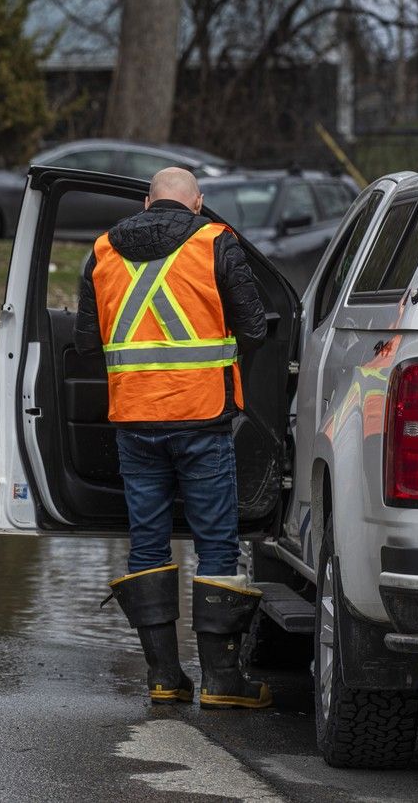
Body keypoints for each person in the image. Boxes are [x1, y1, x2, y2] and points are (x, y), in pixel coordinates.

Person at [74, 166, 271, 710]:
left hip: (134, 421)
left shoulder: (102, 251)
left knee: (147, 544)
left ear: (146, 203)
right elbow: (255, 329)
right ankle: (224, 683)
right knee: (216, 544)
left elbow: (88, 344)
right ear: (198, 203)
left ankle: (164, 678)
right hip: (202, 418)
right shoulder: (215, 241)